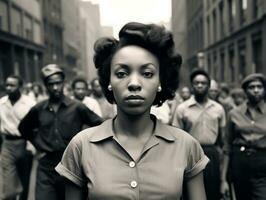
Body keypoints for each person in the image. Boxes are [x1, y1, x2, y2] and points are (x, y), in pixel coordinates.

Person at [55, 22, 209, 200]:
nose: (134, 83)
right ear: (109, 82)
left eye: (147, 73)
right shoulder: (81, 146)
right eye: (121, 73)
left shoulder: (186, 146)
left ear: (161, 82)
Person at [18, 64, 103, 200]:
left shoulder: (77, 107)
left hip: (71, 165)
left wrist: (86, 146)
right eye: (51, 84)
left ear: (63, 83)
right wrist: (38, 145)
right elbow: (23, 128)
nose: (55, 87)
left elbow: (100, 124)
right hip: (47, 166)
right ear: (45, 85)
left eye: (58, 83)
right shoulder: (38, 109)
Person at [173, 68, 226, 200]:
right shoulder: (182, 109)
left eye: (203, 83)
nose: (200, 86)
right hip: (190, 154)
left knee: (213, 192)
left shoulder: (218, 108)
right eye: (196, 83)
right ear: (192, 85)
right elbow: (176, 136)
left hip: (211, 154)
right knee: (191, 193)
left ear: (208, 86)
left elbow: (222, 137)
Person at [221, 73, 266, 200]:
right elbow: (227, 146)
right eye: (251, 87)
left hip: (263, 164)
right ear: (245, 91)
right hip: (240, 164)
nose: (256, 90)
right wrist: (223, 179)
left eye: (259, 87)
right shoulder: (234, 114)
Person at [0, 75, 35, 200]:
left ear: (20, 87)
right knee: (8, 187)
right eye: (7, 85)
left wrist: (31, 146)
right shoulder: (1, 103)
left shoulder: (29, 103)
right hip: (7, 145)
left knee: (24, 180)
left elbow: (35, 126)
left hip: (24, 143)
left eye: (12, 85)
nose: (9, 88)